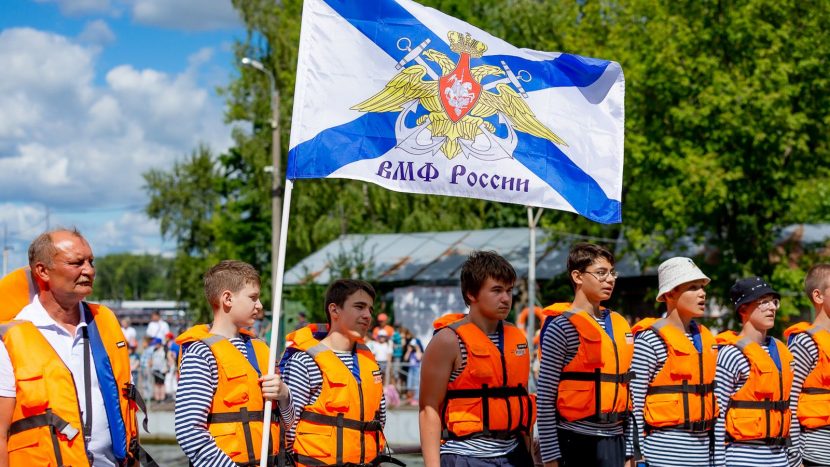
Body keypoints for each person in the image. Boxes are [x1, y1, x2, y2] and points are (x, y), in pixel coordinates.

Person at [0, 228, 151, 466]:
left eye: (91, 262)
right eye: (76, 263)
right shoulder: (12, 338)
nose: (89, 270)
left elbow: (125, 404)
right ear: (42, 271)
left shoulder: (105, 322)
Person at [419, 251, 535, 467]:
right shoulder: (448, 341)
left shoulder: (517, 338)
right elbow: (429, 409)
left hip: (515, 454)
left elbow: (522, 399)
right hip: (465, 456)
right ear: (472, 294)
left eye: (509, 291)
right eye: (497, 290)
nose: (506, 298)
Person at [174, 260, 291, 467]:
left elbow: (290, 423)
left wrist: (284, 395)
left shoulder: (262, 348)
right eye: (253, 298)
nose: (260, 305)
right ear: (227, 298)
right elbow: (189, 431)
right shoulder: (201, 353)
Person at [280, 279, 400, 467]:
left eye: (370, 309)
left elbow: (380, 419)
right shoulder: (304, 361)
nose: (367, 315)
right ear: (334, 310)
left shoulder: (369, 362)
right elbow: (288, 427)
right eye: (359, 307)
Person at [537, 243, 634, 467]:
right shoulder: (561, 327)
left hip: (616, 440)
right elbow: (545, 399)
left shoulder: (620, 324)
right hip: (574, 442)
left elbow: (627, 394)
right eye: (601, 273)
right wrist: (551, 458)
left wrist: (629, 452)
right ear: (577, 276)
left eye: (612, 273)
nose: (610, 279)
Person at [630, 257, 718, 466]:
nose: (702, 293)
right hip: (661, 454)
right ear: (669, 294)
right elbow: (634, 404)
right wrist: (635, 456)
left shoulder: (708, 340)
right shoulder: (650, 341)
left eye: (702, 287)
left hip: (703, 454)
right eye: (693, 287)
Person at [715, 277, 792, 467]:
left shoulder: (781, 351)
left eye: (773, 301)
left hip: (781, 458)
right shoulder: (731, 354)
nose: (772, 308)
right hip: (742, 458)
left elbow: (791, 410)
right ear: (743, 309)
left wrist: (793, 458)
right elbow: (717, 416)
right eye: (763, 302)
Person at [784, 264, 830, 466]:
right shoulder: (805, 343)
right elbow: (789, 403)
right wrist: (795, 459)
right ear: (818, 296)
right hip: (816, 454)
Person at [402, 327, 423, 405]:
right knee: (409, 384)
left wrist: (417, 348)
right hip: (411, 368)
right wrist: (408, 350)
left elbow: (419, 357)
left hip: (417, 368)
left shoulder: (418, 351)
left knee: (416, 384)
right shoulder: (410, 352)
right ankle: (410, 398)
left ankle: (416, 399)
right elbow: (405, 358)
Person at [148, 337, 168, 402]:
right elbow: (152, 359)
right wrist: (150, 364)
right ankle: (157, 399)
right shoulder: (154, 350)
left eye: (156, 344)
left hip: (162, 369)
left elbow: (168, 359)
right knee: (156, 384)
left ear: (159, 344)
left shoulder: (164, 350)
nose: (155, 345)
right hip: (155, 369)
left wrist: (167, 368)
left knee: (162, 384)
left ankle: (162, 398)